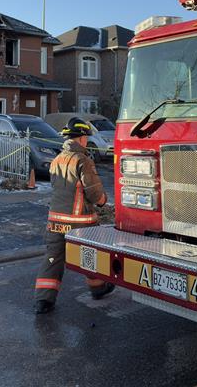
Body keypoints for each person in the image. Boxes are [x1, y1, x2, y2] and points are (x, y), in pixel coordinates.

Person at [33, 117, 114, 314]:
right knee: (89, 255)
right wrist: (104, 201)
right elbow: (94, 193)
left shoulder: (57, 159)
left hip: (55, 221)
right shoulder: (83, 160)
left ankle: (43, 300)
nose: (87, 141)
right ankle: (97, 288)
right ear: (80, 138)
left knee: (53, 258)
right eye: (86, 137)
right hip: (79, 222)